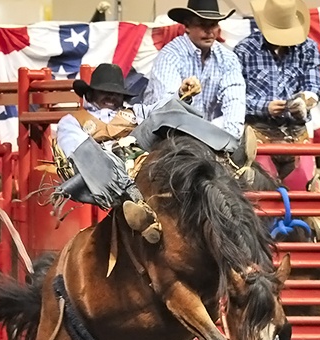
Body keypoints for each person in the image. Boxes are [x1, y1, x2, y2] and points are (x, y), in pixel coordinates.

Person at [55, 63, 209, 244]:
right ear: (90, 94)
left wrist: (181, 94)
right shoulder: (71, 121)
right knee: (88, 154)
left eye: (116, 93)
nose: (111, 96)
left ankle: (221, 156)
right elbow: (77, 150)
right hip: (102, 165)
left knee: (168, 119)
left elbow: (159, 111)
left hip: (139, 154)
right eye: (105, 91)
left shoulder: (135, 112)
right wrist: (113, 150)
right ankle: (139, 209)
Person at [234, 0, 320, 184]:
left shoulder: (307, 48)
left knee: (303, 188)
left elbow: (313, 87)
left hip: (296, 132)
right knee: (261, 190)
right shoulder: (244, 51)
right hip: (259, 132)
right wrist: (264, 107)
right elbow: (235, 96)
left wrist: (304, 103)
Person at [142, 0, 246, 139]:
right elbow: (166, 108)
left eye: (213, 25)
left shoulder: (228, 59)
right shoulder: (170, 55)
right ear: (187, 26)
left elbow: (235, 101)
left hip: (201, 137)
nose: (209, 31)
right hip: (161, 134)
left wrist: (229, 139)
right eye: (202, 24)